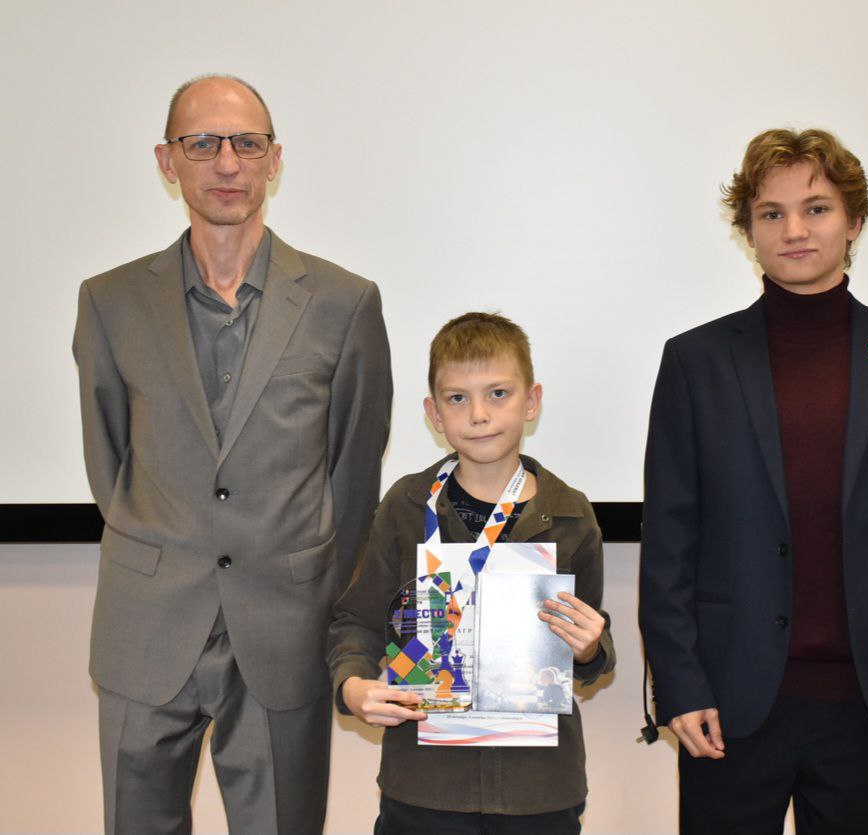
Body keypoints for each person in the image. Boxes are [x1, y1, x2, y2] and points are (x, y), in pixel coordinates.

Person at [73, 74, 392, 834]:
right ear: (167, 161)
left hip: (286, 630)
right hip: (147, 629)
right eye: (202, 144)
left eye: (246, 144)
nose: (226, 163)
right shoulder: (110, 302)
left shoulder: (344, 303)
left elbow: (352, 472)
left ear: (274, 160)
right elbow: (109, 464)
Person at [639, 128, 868, 833]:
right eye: (772, 213)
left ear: (854, 221)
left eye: (816, 209)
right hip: (727, 706)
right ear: (748, 230)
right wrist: (680, 685)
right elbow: (668, 545)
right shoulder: (695, 362)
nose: (794, 230)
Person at [327, 312, 615, 834]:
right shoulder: (406, 507)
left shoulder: (571, 514)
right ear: (434, 414)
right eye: (457, 398)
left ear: (532, 401)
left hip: (538, 790)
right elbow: (357, 621)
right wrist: (352, 686)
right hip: (425, 787)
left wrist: (590, 647)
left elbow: (591, 645)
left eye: (498, 393)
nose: (479, 414)